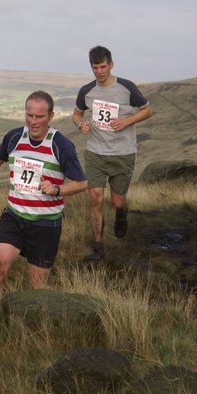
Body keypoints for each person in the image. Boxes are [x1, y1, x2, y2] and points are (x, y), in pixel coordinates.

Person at [0, 91, 87, 295]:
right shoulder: (14, 137)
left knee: (37, 287)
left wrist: (57, 189)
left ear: (50, 116)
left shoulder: (61, 145)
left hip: (46, 224)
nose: (33, 122)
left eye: (39, 116)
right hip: (14, 216)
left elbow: (82, 183)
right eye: (29, 115)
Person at [71, 46, 152, 260]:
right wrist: (80, 124)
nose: (99, 71)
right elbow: (76, 115)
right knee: (95, 200)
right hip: (95, 153)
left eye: (103, 67)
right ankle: (98, 247)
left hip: (122, 153)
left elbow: (147, 110)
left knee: (117, 201)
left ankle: (121, 214)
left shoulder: (127, 88)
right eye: (95, 67)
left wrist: (127, 120)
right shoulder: (86, 91)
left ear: (111, 65)